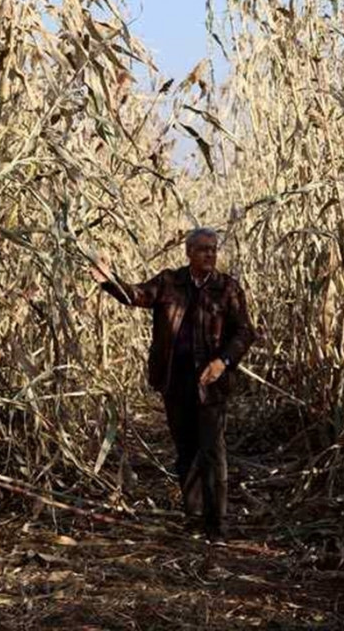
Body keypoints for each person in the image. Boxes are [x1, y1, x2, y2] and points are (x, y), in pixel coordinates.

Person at [91, 227, 255, 545]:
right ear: (189, 253)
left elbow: (245, 332)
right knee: (186, 452)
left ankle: (217, 524)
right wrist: (109, 279)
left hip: (211, 385)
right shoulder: (169, 282)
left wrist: (223, 362)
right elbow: (136, 295)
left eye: (213, 249)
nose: (210, 254)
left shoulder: (227, 288)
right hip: (175, 383)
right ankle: (193, 518)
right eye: (204, 249)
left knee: (213, 452)